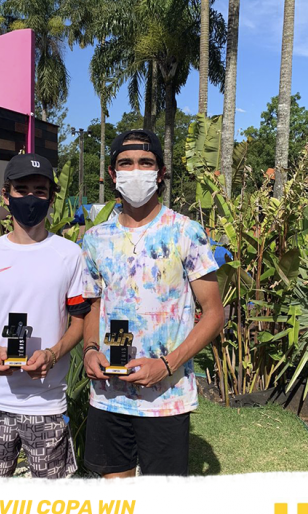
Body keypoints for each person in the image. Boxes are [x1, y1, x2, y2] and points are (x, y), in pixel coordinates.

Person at [81, 129, 225, 477]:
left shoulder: (186, 232)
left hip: (165, 397)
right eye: (126, 163)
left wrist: (166, 365)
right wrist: (90, 349)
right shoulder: (95, 239)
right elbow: (93, 304)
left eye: (145, 162)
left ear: (160, 173)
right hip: (108, 394)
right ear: (112, 174)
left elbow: (214, 314)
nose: (135, 171)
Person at [0, 153, 90, 478]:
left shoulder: (70, 255)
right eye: (22, 190)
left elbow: (80, 321)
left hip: (47, 404)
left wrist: (52, 354)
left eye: (40, 191)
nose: (30, 198)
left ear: (51, 198)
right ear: (6, 195)